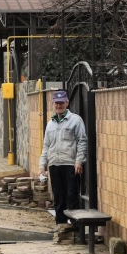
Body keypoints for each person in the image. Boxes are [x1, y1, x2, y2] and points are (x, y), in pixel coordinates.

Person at [38, 89, 87, 230]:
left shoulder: (75, 120)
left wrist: (79, 161)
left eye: (61, 103)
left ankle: (76, 229)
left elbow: (82, 141)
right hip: (54, 164)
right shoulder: (50, 124)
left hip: (70, 164)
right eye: (56, 103)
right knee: (58, 197)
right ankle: (61, 228)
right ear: (53, 104)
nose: (59, 105)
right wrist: (42, 165)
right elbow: (46, 145)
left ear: (67, 103)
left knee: (72, 196)